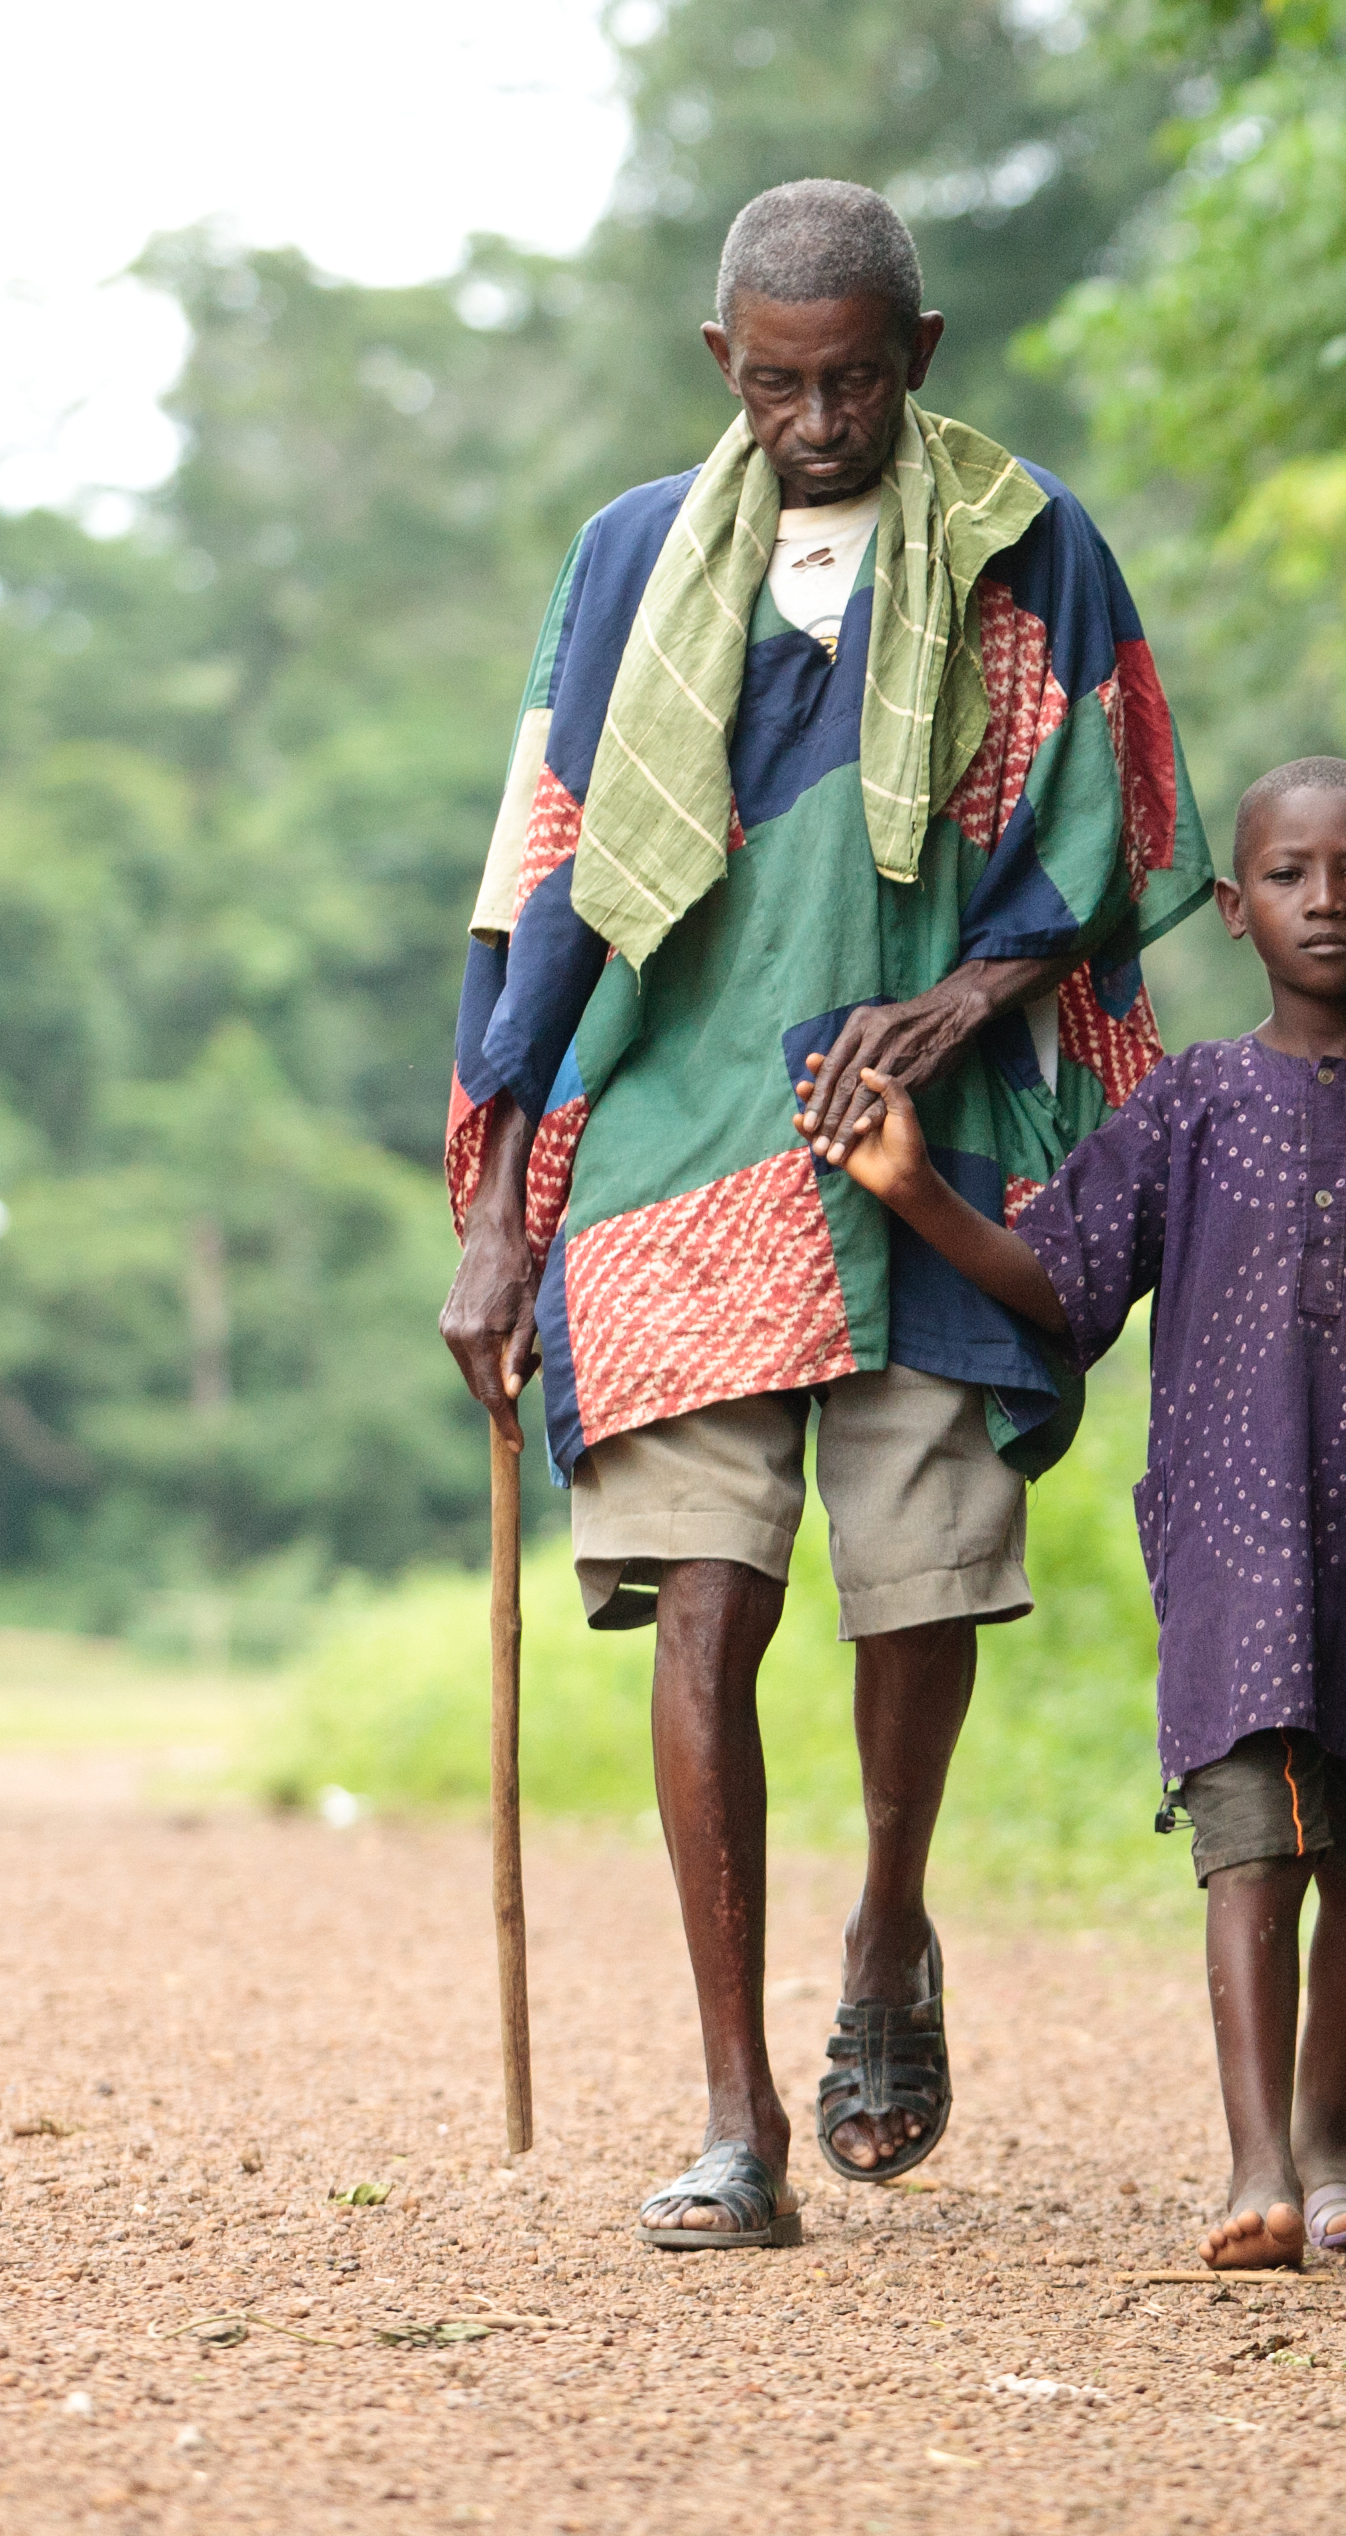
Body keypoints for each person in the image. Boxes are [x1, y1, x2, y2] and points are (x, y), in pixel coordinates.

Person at [435, 180, 1211, 2250]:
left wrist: (962, 1003)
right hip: (678, 1136)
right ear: (722, 368)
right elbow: (543, 874)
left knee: (922, 1587)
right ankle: (734, 2116)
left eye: (854, 377)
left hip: (926, 1156)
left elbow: (1114, 819)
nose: (818, 417)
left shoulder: (1032, 542)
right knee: (705, 1594)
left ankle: (885, 1926)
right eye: (777, 383)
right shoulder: (624, 563)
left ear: (920, 357)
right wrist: (498, 1204)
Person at [801, 756, 1346, 2266]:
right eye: (1290, 874)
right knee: (1249, 1850)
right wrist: (914, 1195)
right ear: (1234, 909)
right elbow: (1067, 1283)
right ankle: (1256, 2170)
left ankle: (1331, 2140)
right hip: (1235, 1558)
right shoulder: (1193, 1105)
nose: (1325, 899)